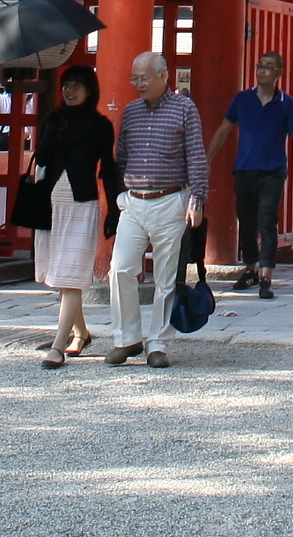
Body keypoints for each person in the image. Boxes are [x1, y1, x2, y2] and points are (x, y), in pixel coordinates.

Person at [106, 49, 205, 368]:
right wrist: (121, 196)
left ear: (164, 76)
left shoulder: (185, 108)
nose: (137, 83)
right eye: (133, 78)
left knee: (165, 275)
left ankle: (159, 341)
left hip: (170, 199)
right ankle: (127, 338)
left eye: (143, 78)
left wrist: (197, 199)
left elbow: (196, 156)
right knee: (120, 268)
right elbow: (121, 156)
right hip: (134, 201)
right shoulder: (131, 111)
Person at [19, 64, 116, 368]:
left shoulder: (100, 125)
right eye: (66, 86)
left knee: (71, 277)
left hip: (80, 205)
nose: (69, 91)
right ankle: (81, 334)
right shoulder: (53, 119)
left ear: (89, 90)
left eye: (76, 86)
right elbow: (43, 158)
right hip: (50, 204)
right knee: (61, 278)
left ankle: (58, 347)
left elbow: (109, 169)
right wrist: (50, 127)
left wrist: (114, 207)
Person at [206, 48, 293, 298]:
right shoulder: (242, 99)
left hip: (273, 170)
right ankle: (250, 267)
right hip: (245, 168)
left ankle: (266, 275)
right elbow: (224, 129)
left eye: (268, 67)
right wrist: (207, 159)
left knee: (267, 221)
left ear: (278, 73)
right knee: (246, 223)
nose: (262, 70)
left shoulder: (286, 103)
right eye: (259, 66)